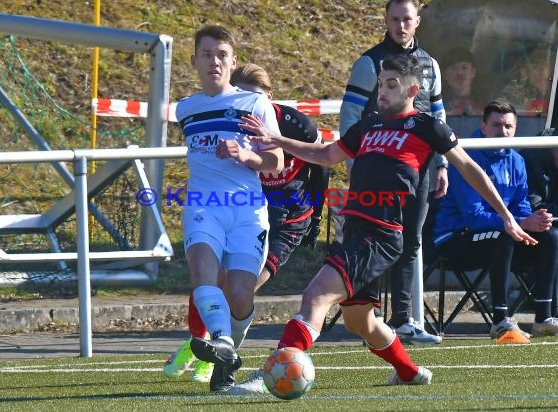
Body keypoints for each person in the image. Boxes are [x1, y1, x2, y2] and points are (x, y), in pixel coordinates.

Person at [231, 54, 535, 394]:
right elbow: (326, 155)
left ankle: (269, 373)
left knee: (315, 295)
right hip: (356, 232)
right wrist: (279, 141)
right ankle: (408, 371)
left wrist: (507, 217)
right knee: (360, 321)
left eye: (391, 85)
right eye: (380, 85)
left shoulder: (426, 126)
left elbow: (469, 168)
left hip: (380, 233)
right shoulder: (369, 125)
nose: (382, 92)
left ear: (413, 90)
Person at [163, 61, 328, 388]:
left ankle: (218, 353)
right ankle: (203, 346)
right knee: (213, 279)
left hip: (289, 219)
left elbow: (320, 163)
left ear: (269, 97)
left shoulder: (294, 124)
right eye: (241, 97)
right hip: (245, 209)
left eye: (256, 98)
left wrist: (317, 215)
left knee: (240, 289)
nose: (247, 110)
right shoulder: (230, 120)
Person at [163, 25, 284, 393]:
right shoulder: (185, 109)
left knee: (240, 293)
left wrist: (245, 154)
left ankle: (227, 352)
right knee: (201, 272)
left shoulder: (255, 103)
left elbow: (276, 160)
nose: (214, 61)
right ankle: (221, 341)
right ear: (194, 60)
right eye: (206, 54)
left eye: (221, 55)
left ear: (233, 61)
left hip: (247, 211)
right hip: (204, 206)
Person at [339, 0, 447, 345]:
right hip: (377, 165)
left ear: (418, 21)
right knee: (371, 239)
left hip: (420, 166)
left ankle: (402, 320)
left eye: (407, 19)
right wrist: (354, 161)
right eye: (395, 19)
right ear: (386, 21)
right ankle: (365, 316)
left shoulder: (431, 64)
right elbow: (350, 113)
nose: (401, 25)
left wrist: (442, 164)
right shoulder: (370, 62)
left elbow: (440, 114)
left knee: (411, 239)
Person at [433, 99, 558, 340]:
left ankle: (543, 318)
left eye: (508, 126)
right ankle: (500, 320)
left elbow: (520, 206)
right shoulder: (465, 157)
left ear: (516, 128)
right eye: (496, 125)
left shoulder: (517, 160)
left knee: (551, 235)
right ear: (483, 126)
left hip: (502, 237)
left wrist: (533, 220)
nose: (503, 132)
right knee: (502, 236)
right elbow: (474, 217)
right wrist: (520, 223)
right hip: (457, 239)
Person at [521, 127, 558, 319]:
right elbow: (534, 207)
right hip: (529, 232)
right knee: (553, 235)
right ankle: (549, 313)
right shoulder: (530, 158)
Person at [503, 49, 551, 113]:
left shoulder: (553, 90)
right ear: (525, 72)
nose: (541, 70)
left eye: (545, 65)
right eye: (535, 67)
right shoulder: (516, 91)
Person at [441, 47, 483, 116]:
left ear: (473, 72)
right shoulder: (435, 105)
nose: (459, 73)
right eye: (453, 68)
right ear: (444, 75)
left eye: (464, 68)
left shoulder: (485, 104)